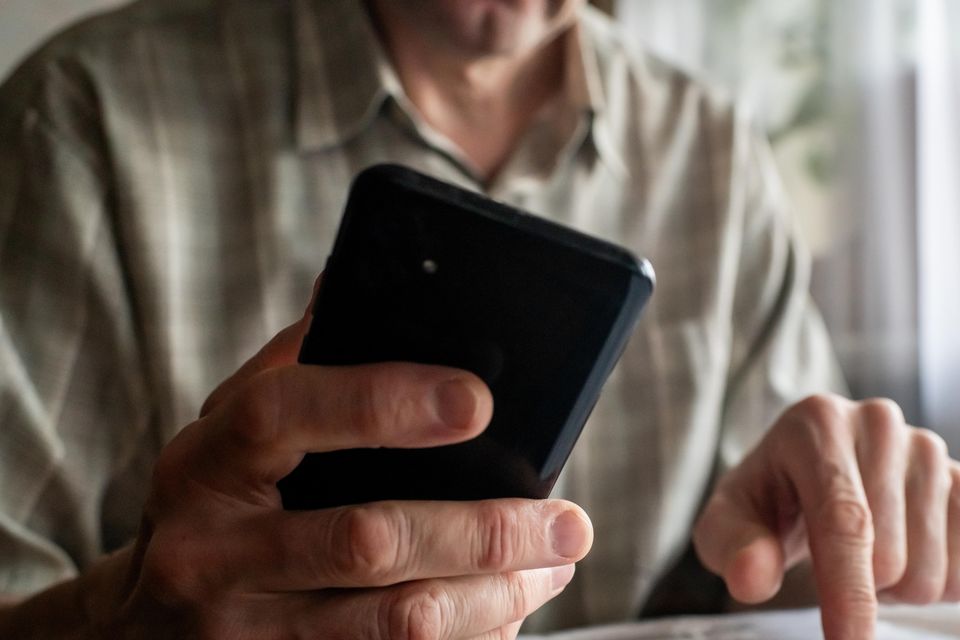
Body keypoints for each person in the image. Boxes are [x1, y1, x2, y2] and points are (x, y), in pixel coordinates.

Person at [0, 0, 957, 637]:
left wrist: (819, 530)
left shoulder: (717, 153)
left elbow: (758, 567)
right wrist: (129, 620)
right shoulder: (82, 124)